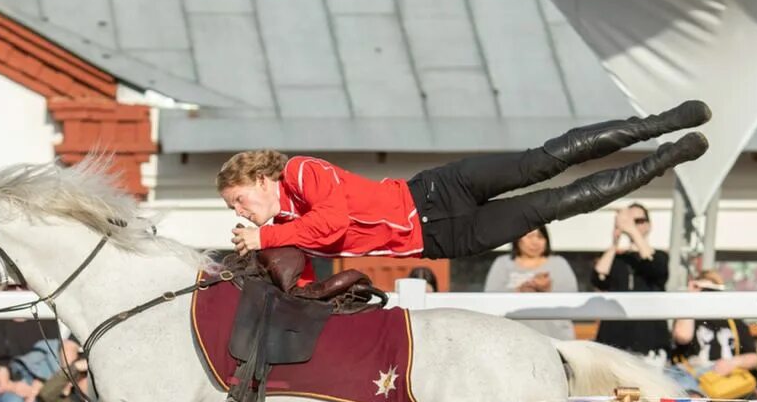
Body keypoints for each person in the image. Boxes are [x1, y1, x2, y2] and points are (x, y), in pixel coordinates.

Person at [217, 103, 709, 282]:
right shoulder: (282, 233)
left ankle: (659, 124)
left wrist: (265, 241)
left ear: (263, 180)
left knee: (545, 160)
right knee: (556, 204)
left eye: (239, 198)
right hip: (442, 240)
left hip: (433, 193)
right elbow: (302, 280)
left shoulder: (301, 173)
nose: (239, 211)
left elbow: (334, 222)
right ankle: (667, 159)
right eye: (232, 208)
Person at [591, 203, 671, 360]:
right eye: (629, 220)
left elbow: (655, 267)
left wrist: (633, 231)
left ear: (649, 224)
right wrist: (614, 243)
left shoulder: (660, 256)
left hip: (650, 341)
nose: (632, 225)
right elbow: (598, 278)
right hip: (614, 340)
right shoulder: (618, 259)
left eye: (639, 220)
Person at [669, 268, 757, 398]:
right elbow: (682, 336)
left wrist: (733, 363)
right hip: (692, 376)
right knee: (677, 383)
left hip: (725, 376)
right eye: (704, 290)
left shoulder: (733, 321)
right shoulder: (689, 316)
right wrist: (690, 298)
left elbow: (754, 358)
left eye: (713, 290)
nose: (709, 295)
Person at [483, 225, 579, 340]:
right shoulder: (503, 263)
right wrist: (519, 290)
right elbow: (490, 298)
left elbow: (571, 298)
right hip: (511, 338)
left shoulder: (559, 263)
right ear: (517, 239)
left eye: (540, 237)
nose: (535, 242)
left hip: (555, 337)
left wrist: (548, 289)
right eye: (529, 236)